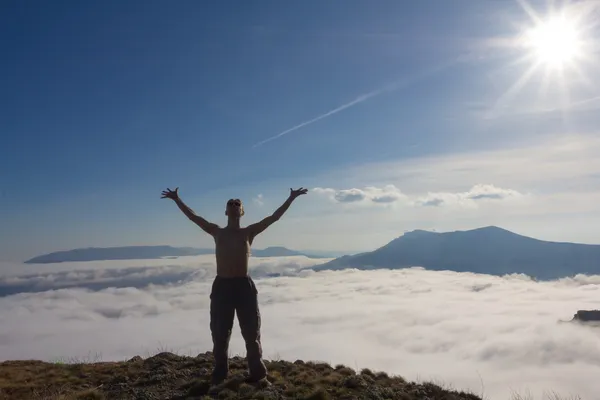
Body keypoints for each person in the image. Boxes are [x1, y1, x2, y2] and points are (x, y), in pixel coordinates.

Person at [160, 186, 308, 386]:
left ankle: (258, 374)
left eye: (237, 204)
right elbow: (194, 218)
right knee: (220, 333)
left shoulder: (249, 232)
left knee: (252, 332)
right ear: (225, 211)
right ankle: (220, 373)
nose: (233, 205)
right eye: (230, 203)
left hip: (244, 286)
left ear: (242, 211)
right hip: (222, 286)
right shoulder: (216, 231)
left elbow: (274, 217)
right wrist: (177, 200)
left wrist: (291, 198)